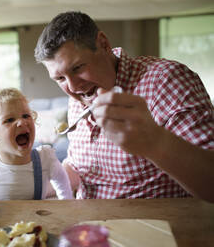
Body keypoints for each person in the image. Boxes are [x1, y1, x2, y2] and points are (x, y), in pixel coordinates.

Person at [34, 11, 214, 202]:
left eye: (77, 68)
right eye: (60, 78)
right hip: (88, 226)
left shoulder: (166, 81)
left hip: (149, 227)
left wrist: (154, 141)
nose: (72, 87)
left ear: (103, 44)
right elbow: (80, 170)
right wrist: (32, 182)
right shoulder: (77, 99)